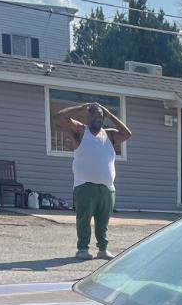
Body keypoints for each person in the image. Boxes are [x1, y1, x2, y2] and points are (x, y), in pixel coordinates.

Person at [53, 101, 132, 260]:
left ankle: (103, 249)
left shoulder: (109, 135)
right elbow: (59, 117)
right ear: (88, 117)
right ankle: (83, 249)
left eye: (101, 116)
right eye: (95, 115)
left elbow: (127, 133)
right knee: (84, 219)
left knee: (103, 221)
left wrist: (110, 114)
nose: (99, 118)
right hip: (84, 185)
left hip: (107, 187)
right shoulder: (81, 131)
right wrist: (81, 108)